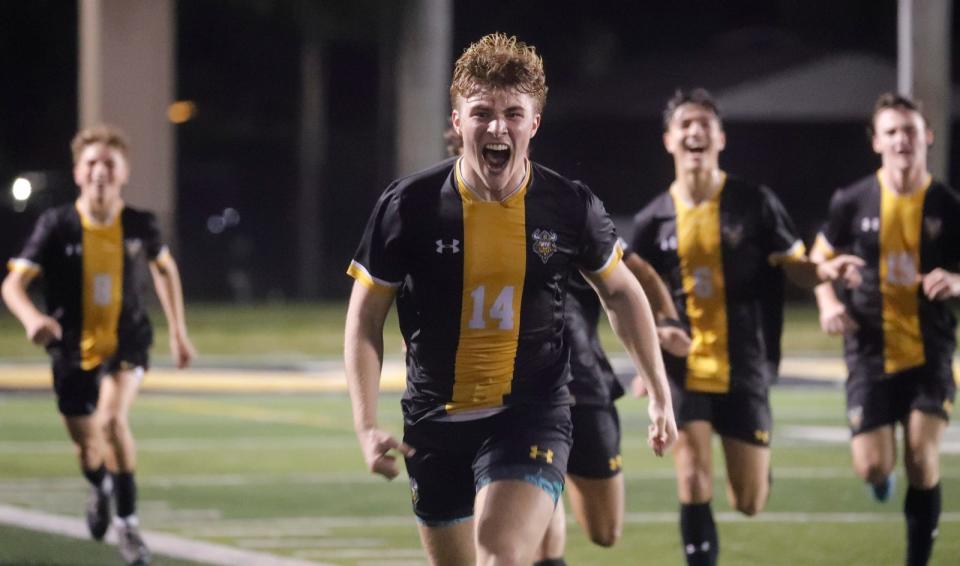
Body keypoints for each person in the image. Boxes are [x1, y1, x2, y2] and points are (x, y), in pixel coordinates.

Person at [344, 33, 677, 566]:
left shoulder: (568, 205)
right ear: (458, 124)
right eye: (481, 113)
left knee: (500, 554)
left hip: (529, 413)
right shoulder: (410, 205)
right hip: (434, 421)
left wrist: (660, 393)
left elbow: (621, 292)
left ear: (533, 125)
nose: (498, 127)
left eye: (513, 114)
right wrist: (365, 424)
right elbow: (364, 320)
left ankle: (541, 505)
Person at [630, 88, 862, 566]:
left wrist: (822, 273)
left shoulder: (754, 202)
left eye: (704, 124)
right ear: (669, 140)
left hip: (745, 361)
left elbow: (793, 264)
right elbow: (635, 296)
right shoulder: (653, 220)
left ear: (721, 137)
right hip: (683, 363)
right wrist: (647, 358)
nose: (695, 131)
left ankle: (760, 467)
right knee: (692, 476)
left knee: (749, 502)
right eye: (685, 124)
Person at [2, 125, 195, 566]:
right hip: (70, 348)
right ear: (77, 172)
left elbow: (165, 271)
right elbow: (13, 285)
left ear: (124, 172)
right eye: (91, 163)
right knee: (88, 447)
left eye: (109, 163)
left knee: (111, 422)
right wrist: (33, 319)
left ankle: (127, 525)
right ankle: (99, 485)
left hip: (126, 340)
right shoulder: (56, 225)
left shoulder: (140, 224)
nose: (100, 172)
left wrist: (179, 331)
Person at [810, 93, 959, 566]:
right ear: (877, 141)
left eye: (910, 130)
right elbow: (818, 258)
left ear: (928, 138)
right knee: (874, 464)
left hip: (929, 349)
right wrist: (829, 299)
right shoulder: (851, 201)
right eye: (891, 132)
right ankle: (879, 479)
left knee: (921, 457)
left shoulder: (947, 205)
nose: (902, 140)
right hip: (869, 348)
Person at [534, 246, 690, 566]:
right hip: (513, 390)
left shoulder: (571, 205)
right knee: (532, 505)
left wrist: (668, 320)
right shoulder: (467, 207)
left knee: (605, 530)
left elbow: (635, 278)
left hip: (583, 378)